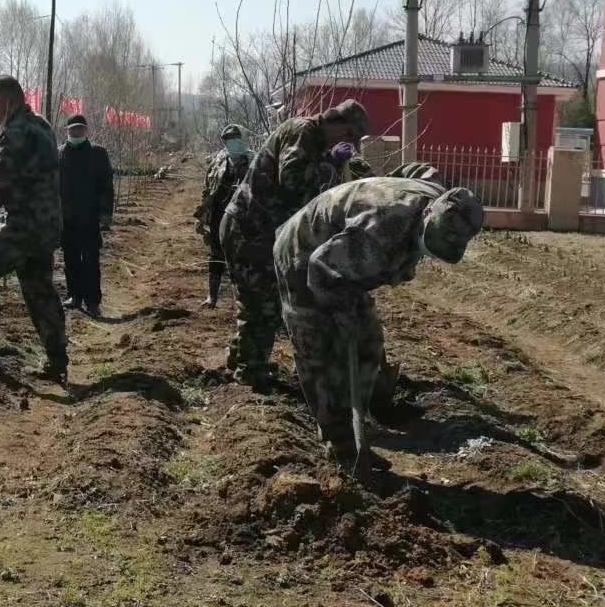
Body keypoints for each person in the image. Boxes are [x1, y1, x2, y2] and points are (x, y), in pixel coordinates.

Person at [276, 176, 485, 466]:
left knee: (368, 340)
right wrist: (340, 314)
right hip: (305, 252)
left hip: (348, 258)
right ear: (427, 214)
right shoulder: (381, 228)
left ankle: (364, 413)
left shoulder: (442, 198)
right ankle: (342, 448)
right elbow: (321, 268)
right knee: (319, 351)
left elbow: (414, 170)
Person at [217, 99, 369, 385]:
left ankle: (242, 359)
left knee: (256, 299)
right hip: (249, 229)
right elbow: (292, 183)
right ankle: (251, 372)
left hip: (256, 229)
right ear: (337, 123)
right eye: (348, 135)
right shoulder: (303, 133)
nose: (347, 143)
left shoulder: (313, 140)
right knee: (263, 303)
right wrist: (329, 164)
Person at [0, 75, 68, 383]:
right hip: (46, 225)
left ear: (9, 100)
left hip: (26, 226)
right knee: (40, 291)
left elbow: (2, 184)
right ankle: (57, 361)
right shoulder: (40, 125)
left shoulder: (18, 132)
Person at [57, 112, 114, 316]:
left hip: (90, 217)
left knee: (90, 259)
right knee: (70, 259)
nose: (76, 132)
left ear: (86, 130)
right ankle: (74, 295)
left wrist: (106, 213)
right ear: (68, 131)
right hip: (67, 218)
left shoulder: (98, 153)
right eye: (73, 129)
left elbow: (107, 185)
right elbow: (54, 187)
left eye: (80, 128)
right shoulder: (60, 154)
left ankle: (93, 300)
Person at [194, 124, 250, 308]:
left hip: (245, 218)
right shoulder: (218, 160)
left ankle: (243, 300)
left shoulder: (255, 160)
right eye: (228, 140)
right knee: (216, 254)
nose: (232, 142)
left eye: (236, 138)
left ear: (243, 139)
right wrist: (203, 216)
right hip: (219, 215)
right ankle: (212, 296)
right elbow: (208, 188)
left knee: (243, 259)